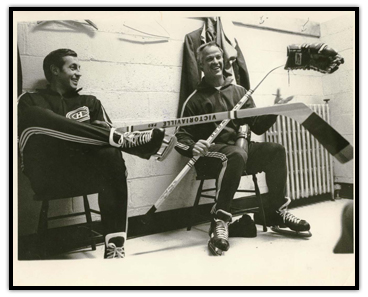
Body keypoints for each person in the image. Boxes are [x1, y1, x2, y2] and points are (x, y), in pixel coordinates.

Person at [18, 49, 172, 259]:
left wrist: (98, 133)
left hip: (83, 174)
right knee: (34, 117)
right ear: (54, 70)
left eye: (79, 68)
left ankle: (115, 247)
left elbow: (105, 151)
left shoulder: (90, 103)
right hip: (48, 176)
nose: (79, 73)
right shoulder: (30, 100)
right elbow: (27, 142)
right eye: (73, 67)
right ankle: (126, 141)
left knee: (110, 153)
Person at [175, 42, 311, 256]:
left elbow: (257, 126)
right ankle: (220, 221)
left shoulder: (240, 92)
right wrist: (193, 146)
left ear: (223, 60)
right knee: (235, 155)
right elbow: (180, 137)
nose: (215, 62)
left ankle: (275, 212)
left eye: (218, 57)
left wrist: (275, 109)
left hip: (240, 150)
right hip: (213, 156)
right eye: (209, 59)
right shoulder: (194, 100)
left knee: (275, 150)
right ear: (201, 65)